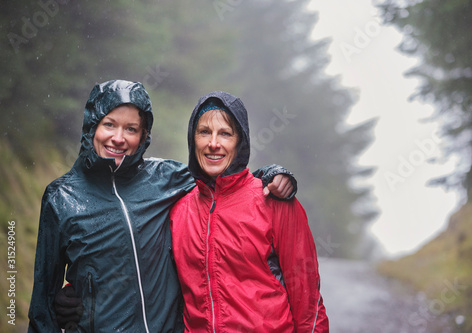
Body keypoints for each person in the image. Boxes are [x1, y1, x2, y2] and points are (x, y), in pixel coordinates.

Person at [28, 80, 297, 332]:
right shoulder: (61, 198)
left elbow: (225, 180)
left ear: (143, 135)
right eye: (109, 124)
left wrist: (271, 174)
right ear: (91, 126)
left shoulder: (168, 178)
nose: (119, 138)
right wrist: (66, 301)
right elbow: (42, 303)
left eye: (131, 129)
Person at [169, 91, 329, 332]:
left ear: (240, 141)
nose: (214, 143)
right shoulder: (178, 211)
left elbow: (307, 301)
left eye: (225, 133)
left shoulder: (274, 200)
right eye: (204, 132)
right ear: (193, 139)